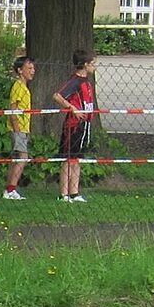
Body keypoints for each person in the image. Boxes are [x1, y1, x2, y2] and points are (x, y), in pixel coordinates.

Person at [50, 49, 98, 203]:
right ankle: (63, 193)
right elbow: (57, 96)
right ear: (85, 65)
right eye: (93, 64)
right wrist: (73, 108)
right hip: (74, 125)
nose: (95, 67)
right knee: (68, 158)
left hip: (85, 125)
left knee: (78, 158)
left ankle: (74, 192)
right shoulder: (75, 81)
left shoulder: (87, 82)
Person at [4, 55, 35, 200]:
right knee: (23, 157)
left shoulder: (24, 87)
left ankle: (9, 188)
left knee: (17, 158)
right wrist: (17, 129)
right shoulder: (17, 87)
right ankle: (11, 189)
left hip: (24, 128)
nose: (32, 71)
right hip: (19, 129)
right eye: (29, 68)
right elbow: (13, 109)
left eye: (33, 68)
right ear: (20, 70)